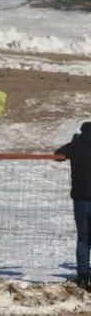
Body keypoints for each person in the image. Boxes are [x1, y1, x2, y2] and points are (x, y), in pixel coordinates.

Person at [55, 122, 91, 291]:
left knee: (83, 239)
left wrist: (74, 142)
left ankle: (83, 277)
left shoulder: (76, 144)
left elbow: (58, 155)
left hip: (81, 199)